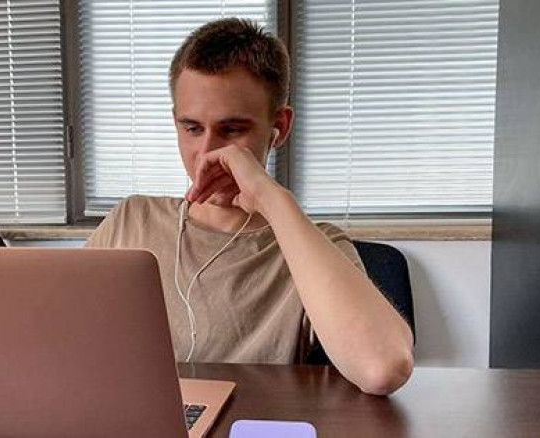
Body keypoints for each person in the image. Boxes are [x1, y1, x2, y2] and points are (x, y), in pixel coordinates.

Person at [85, 18, 413, 395]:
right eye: (192, 128)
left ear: (280, 128)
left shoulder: (311, 245)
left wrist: (271, 197)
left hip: (252, 419)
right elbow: (58, 336)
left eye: (232, 130)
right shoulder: (131, 220)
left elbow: (383, 368)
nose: (207, 153)